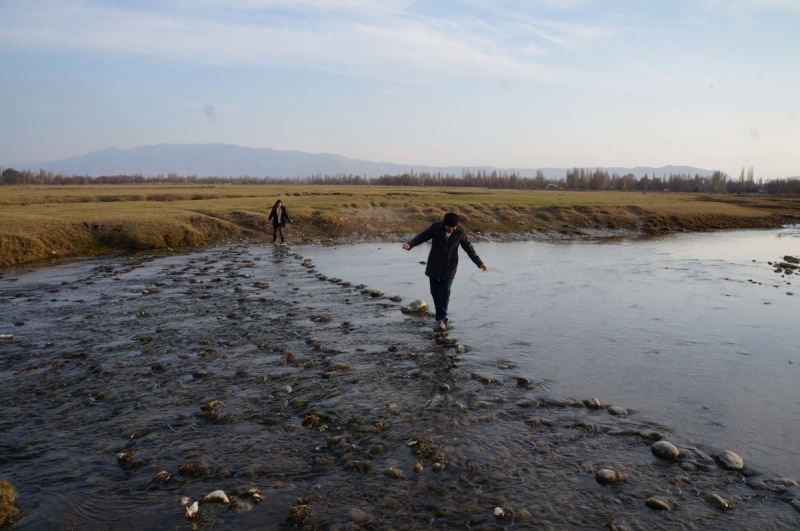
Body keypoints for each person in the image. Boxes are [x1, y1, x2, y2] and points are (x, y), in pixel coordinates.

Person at [403, 212, 488, 331]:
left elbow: (469, 248)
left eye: (454, 227)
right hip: (434, 266)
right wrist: (410, 244)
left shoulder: (460, 232)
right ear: (444, 224)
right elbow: (423, 236)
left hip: (449, 267)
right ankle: (441, 317)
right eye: (449, 227)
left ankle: (441, 319)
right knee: (435, 293)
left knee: (445, 292)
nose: (452, 229)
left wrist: (479, 262)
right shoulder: (436, 227)